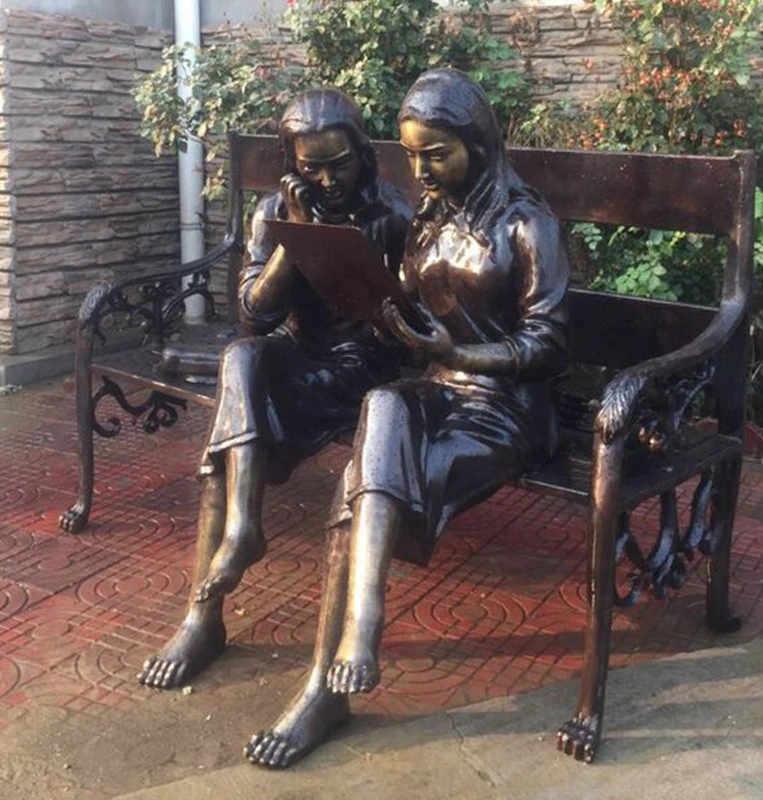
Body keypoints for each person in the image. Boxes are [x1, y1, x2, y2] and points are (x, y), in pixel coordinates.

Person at [246, 68, 570, 769]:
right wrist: (377, 305)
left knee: (361, 481)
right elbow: (414, 316)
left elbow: (549, 343)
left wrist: (459, 351)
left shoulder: (525, 221)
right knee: (382, 408)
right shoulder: (428, 217)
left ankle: (330, 676)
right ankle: (343, 651)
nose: (421, 171)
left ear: (477, 145)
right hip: (437, 391)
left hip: (507, 412)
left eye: (436, 155)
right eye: (413, 156)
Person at [138, 88, 411, 690]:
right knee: (241, 359)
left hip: (363, 370)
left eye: (339, 163)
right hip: (297, 358)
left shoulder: (392, 214)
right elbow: (253, 316)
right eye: (311, 166)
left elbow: (408, 322)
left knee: (227, 449)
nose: (327, 179)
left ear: (363, 155)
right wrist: (298, 235)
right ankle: (237, 540)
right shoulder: (274, 210)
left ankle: (203, 612)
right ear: (292, 162)